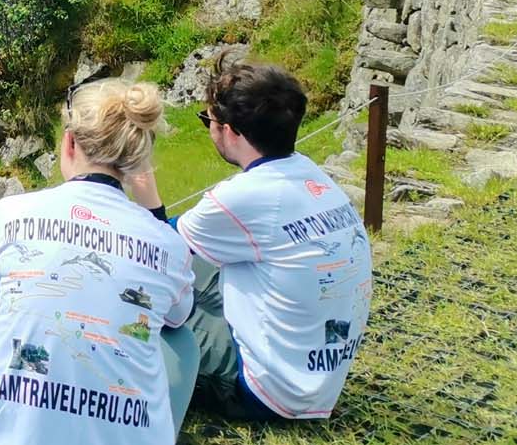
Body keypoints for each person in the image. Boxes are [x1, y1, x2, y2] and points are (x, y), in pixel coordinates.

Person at [0, 80, 198, 445]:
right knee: (182, 339)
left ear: (70, 141)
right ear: (136, 159)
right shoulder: (167, 243)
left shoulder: (11, 215)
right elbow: (179, 317)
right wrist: (154, 210)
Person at [127, 62, 372, 421]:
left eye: (207, 121)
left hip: (266, 392)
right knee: (193, 267)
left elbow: (157, 247)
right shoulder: (311, 175)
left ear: (230, 131)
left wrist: (143, 185)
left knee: (136, 293)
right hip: (319, 377)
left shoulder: (243, 197)